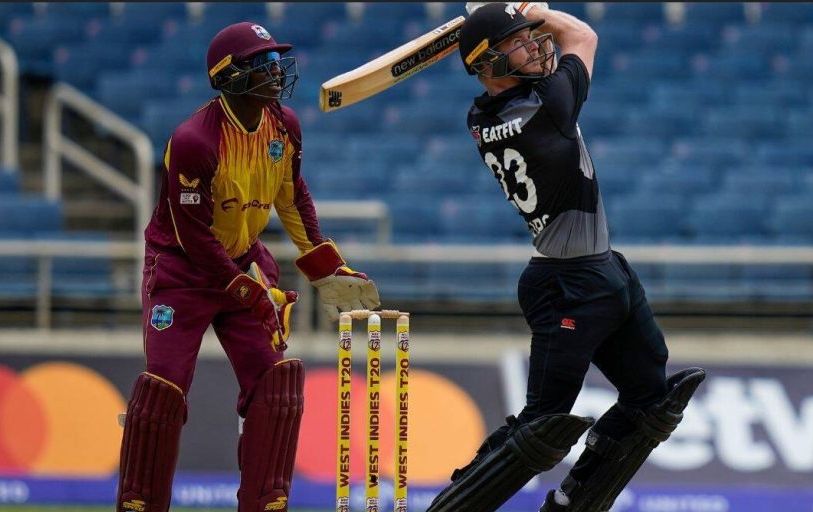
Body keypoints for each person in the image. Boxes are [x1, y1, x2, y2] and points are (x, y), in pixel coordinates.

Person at [427, 4, 706, 512]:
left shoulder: (486, 113)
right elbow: (584, 35)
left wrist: (510, 21)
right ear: (488, 66)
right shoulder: (546, 108)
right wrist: (539, 9)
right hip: (566, 283)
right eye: (519, 41)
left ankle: (575, 505)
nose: (535, 44)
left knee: (652, 402)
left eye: (531, 36)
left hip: (599, 268)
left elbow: (535, 57)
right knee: (543, 427)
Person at [114, 21, 380, 512]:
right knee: (164, 391)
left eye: (277, 62)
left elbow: (293, 198)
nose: (276, 73)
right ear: (228, 76)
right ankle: (139, 502)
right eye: (262, 64)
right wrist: (248, 292)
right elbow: (193, 236)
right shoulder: (195, 140)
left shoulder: (283, 126)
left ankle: (265, 503)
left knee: (274, 385)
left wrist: (326, 268)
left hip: (243, 261)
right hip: (180, 272)